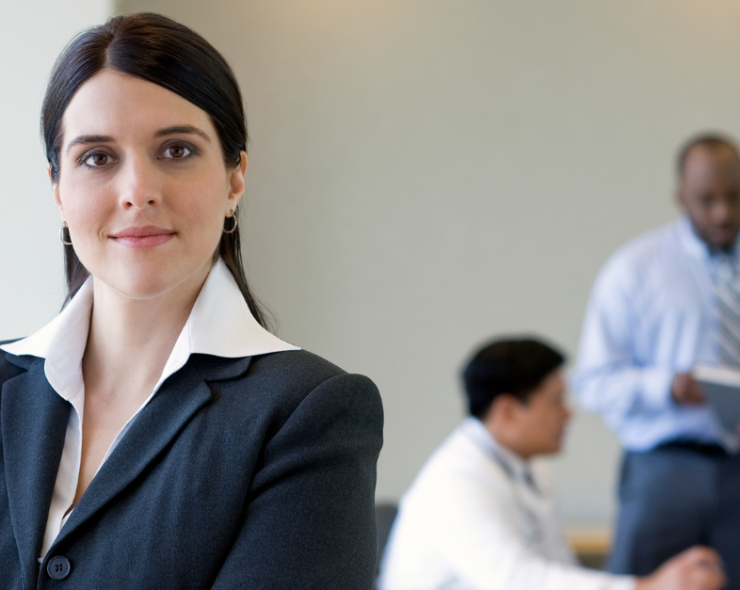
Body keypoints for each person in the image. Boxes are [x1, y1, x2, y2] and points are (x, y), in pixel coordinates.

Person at [0, 13, 383, 590]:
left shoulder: (309, 413)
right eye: (97, 158)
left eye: (176, 150)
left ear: (234, 180)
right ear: (58, 189)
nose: (137, 193)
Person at [377, 337, 725, 590]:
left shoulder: (532, 468)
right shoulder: (454, 482)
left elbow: (556, 567)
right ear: (508, 412)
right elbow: (515, 582)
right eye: (556, 401)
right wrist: (647, 587)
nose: (569, 414)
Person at [571, 134, 740, 586]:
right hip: (664, 470)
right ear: (680, 196)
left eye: (734, 196)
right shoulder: (635, 269)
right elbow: (591, 382)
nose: (723, 212)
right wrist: (667, 386)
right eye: (707, 200)